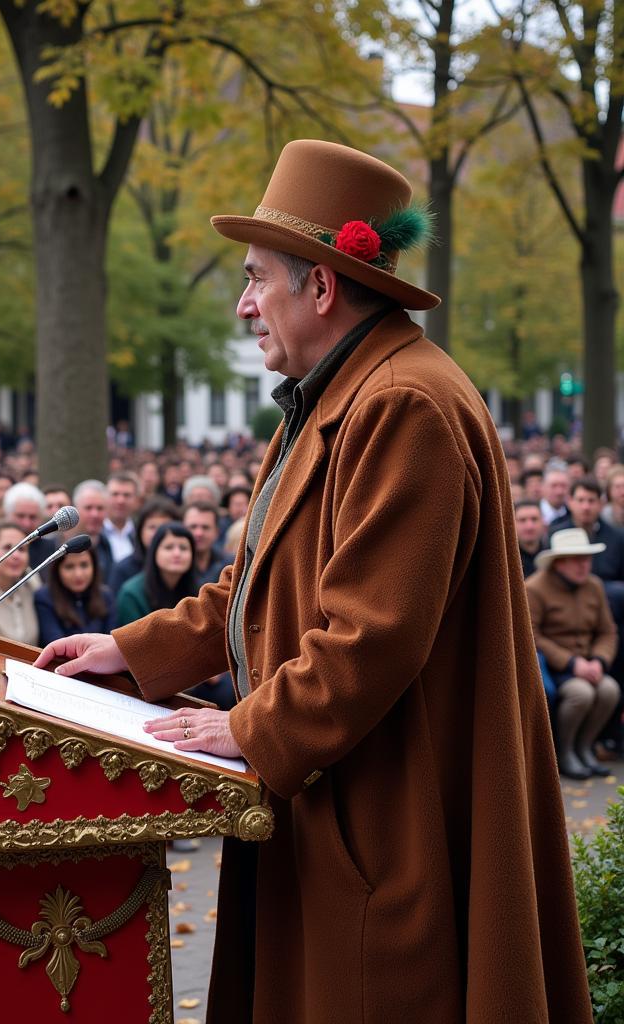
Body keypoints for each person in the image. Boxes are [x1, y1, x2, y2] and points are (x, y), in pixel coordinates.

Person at [36, 140, 589, 1020]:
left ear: (322, 287)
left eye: (257, 278)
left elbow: (373, 634)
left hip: (387, 812)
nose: (245, 304)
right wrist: (130, 651)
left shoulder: (403, 403)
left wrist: (249, 727)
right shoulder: (334, 394)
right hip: (335, 796)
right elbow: (255, 584)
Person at [527, 529, 621, 780]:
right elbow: (532, 636)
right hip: (554, 668)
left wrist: (599, 660)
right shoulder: (535, 588)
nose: (584, 565)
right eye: (576, 559)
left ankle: (585, 746)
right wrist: (571, 662)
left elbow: (607, 631)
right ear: (559, 562)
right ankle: (565, 751)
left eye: (586, 558)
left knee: (609, 689)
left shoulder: (594, 586)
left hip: (589, 664)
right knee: (581, 694)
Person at [116, 522, 198, 627]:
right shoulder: (131, 594)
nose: (177, 554)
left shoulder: (199, 592)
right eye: (168, 547)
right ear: (154, 552)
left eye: (183, 548)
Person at [34, 542, 115, 645]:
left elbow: (111, 642)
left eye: (84, 565)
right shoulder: (44, 598)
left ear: (94, 567)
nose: (78, 574)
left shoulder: (106, 596)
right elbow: (56, 644)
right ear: (57, 570)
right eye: (69, 567)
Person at [107, 497, 180, 595]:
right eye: (152, 527)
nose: (158, 533)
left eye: (164, 527)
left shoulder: (182, 566)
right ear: (141, 531)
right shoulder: (123, 569)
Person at [182, 501, 232, 586]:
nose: (199, 533)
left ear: (217, 532)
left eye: (205, 527)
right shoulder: (172, 565)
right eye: (193, 527)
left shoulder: (229, 565)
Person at [514, 499, 545, 579]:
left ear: (543, 522)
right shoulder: (507, 558)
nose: (529, 526)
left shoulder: (551, 552)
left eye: (534, 519)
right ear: (512, 524)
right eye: (522, 520)